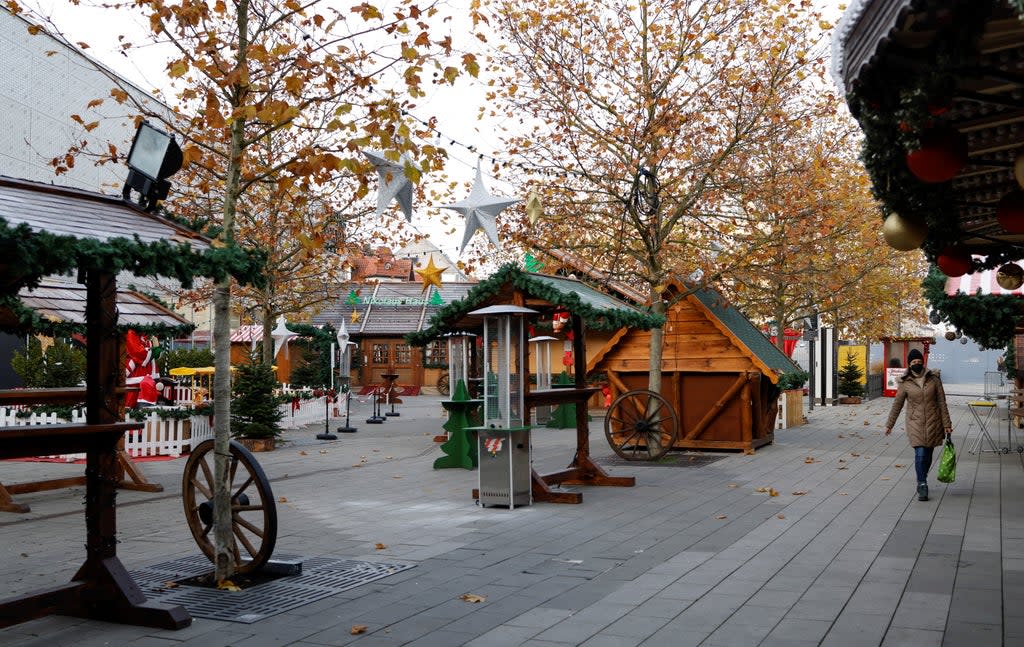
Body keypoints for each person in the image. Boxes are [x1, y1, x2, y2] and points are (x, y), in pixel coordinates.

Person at [885, 348, 953, 501]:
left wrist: (947, 423)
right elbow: (897, 404)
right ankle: (922, 484)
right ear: (909, 364)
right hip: (915, 422)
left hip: (934, 421)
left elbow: (942, 402)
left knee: (928, 455)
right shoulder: (905, 382)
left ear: (923, 362)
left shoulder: (934, 379)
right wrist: (890, 424)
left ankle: (922, 476)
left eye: (919, 361)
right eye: (914, 362)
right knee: (920, 453)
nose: (917, 364)